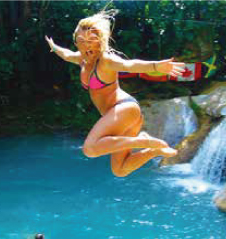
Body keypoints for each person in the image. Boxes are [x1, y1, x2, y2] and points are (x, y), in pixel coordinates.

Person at [45, 9, 180, 177]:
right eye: (82, 41)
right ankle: (153, 150)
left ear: (100, 41)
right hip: (115, 117)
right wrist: (53, 46)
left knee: (90, 149)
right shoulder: (81, 59)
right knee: (120, 170)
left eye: (92, 40)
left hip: (124, 110)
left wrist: (156, 67)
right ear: (76, 42)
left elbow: (130, 65)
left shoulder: (106, 60)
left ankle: (144, 141)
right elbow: (66, 54)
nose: (87, 45)